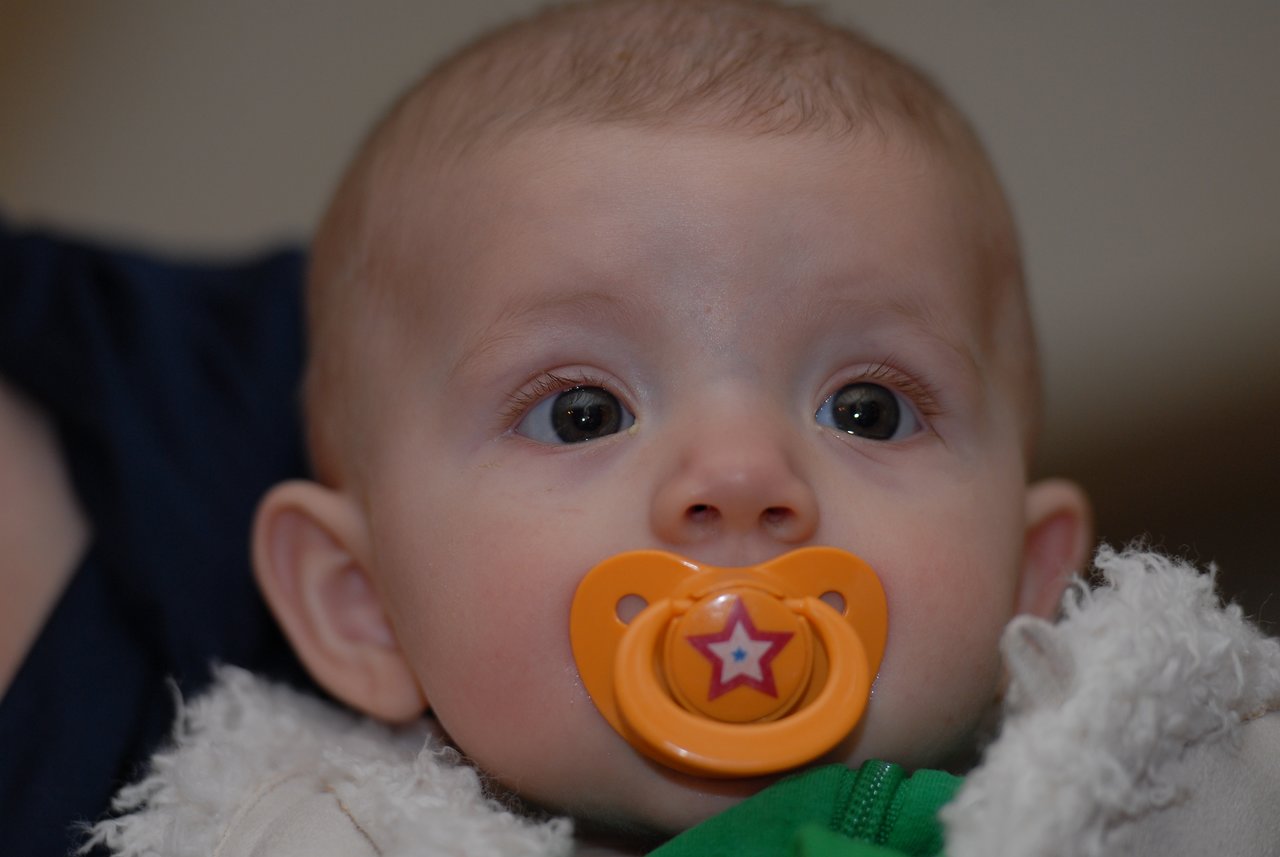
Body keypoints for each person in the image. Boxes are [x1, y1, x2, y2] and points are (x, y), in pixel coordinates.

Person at [78, 1, 1106, 855]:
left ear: (1027, 577)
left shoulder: (1150, 800)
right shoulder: (305, 835)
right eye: (583, 412)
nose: (742, 472)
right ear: (365, 603)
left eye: (865, 409)